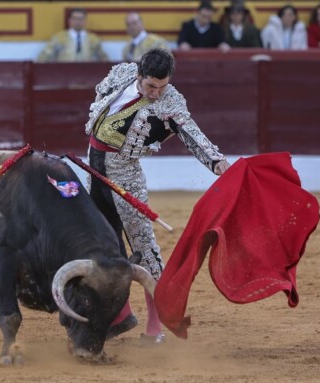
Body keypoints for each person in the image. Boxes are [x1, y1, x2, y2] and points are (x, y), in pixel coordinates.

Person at [85, 48, 230, 343]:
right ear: (139, 75)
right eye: (151, 86)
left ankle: (156, 325)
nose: (156, 93)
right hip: (94, 167)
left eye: (162, 87)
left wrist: (216, 161)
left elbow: (192, 134)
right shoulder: (122, 73)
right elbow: (100, 100)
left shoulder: (171, 103)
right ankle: (120, 315)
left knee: (145, 249)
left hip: (124, 175)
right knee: (105, 241)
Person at [37, 8, 107, 62]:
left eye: (80, 19)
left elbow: (104, 59)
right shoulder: (59, 38)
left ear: (85, 21)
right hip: (64, 75)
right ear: (69, 21)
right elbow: (44, 57)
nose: (77, 22)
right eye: (74, 18)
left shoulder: (93, 39)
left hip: (88, 74)